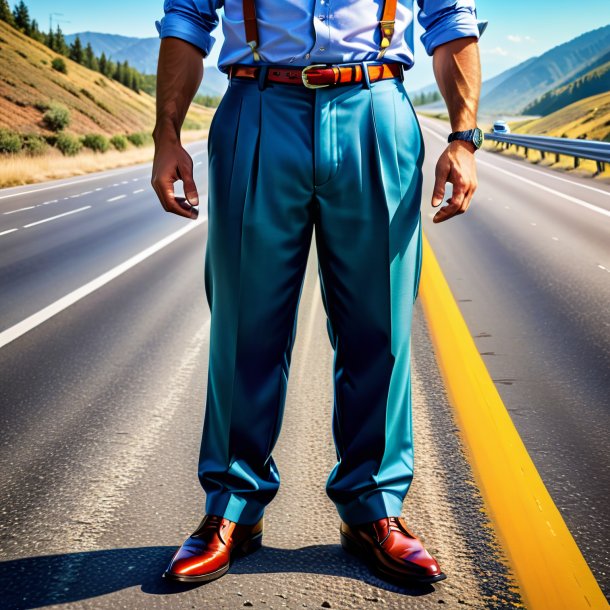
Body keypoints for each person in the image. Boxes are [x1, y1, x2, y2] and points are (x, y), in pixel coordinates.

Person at [151, 0, 485, 586]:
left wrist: (463, 137)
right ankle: (232, 508)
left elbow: (450, 19)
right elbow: (187, 17)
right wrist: (166, 133)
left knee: (379, 332)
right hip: (256, 106)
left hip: (376, 108)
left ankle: (372, 509)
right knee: (243, 327)